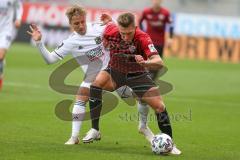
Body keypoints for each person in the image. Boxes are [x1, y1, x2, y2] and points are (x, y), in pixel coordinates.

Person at [27, 5, 153, 145]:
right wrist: (38, 42)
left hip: (114, 72)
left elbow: (121, 32)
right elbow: (50, 59)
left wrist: (112, 22)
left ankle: (143, 126)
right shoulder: (71, 42)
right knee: (81, 96)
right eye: (76, 23)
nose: (81, 26)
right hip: (93, 77)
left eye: (82, 21)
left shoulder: (99, 28)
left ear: (85, 18)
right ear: (70, 24)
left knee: (140, 97)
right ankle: (74, 137)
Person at [84, 12, 181, 155]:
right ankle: (95, 130)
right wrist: (103, 42)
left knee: (160, 106)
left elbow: (159, 62)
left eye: (129, 33)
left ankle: (170, 143)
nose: (125, 37)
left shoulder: (142, 37)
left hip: (137, 74)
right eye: (122, 33)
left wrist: (145, 62)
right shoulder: (111, 30)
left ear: (135, 27)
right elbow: (107, 33)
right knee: (95, 85)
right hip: (115, 70)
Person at [139, 0, 174, 79]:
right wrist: (142, 33)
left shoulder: (165, 13)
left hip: (160, 42)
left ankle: (152, 79)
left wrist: (170, 38)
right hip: (149, 41)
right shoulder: (146, 11)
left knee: (158, 63)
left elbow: (171, 25)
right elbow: (140, 21)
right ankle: (146, 78)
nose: (156, 2)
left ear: (161, 1)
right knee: (148, 59)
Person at [0, 0, 23, 90]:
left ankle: (0, 77)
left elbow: (19, 6)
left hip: (6, 30)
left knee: (0, 55)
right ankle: (1, 65)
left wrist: (18, 18)